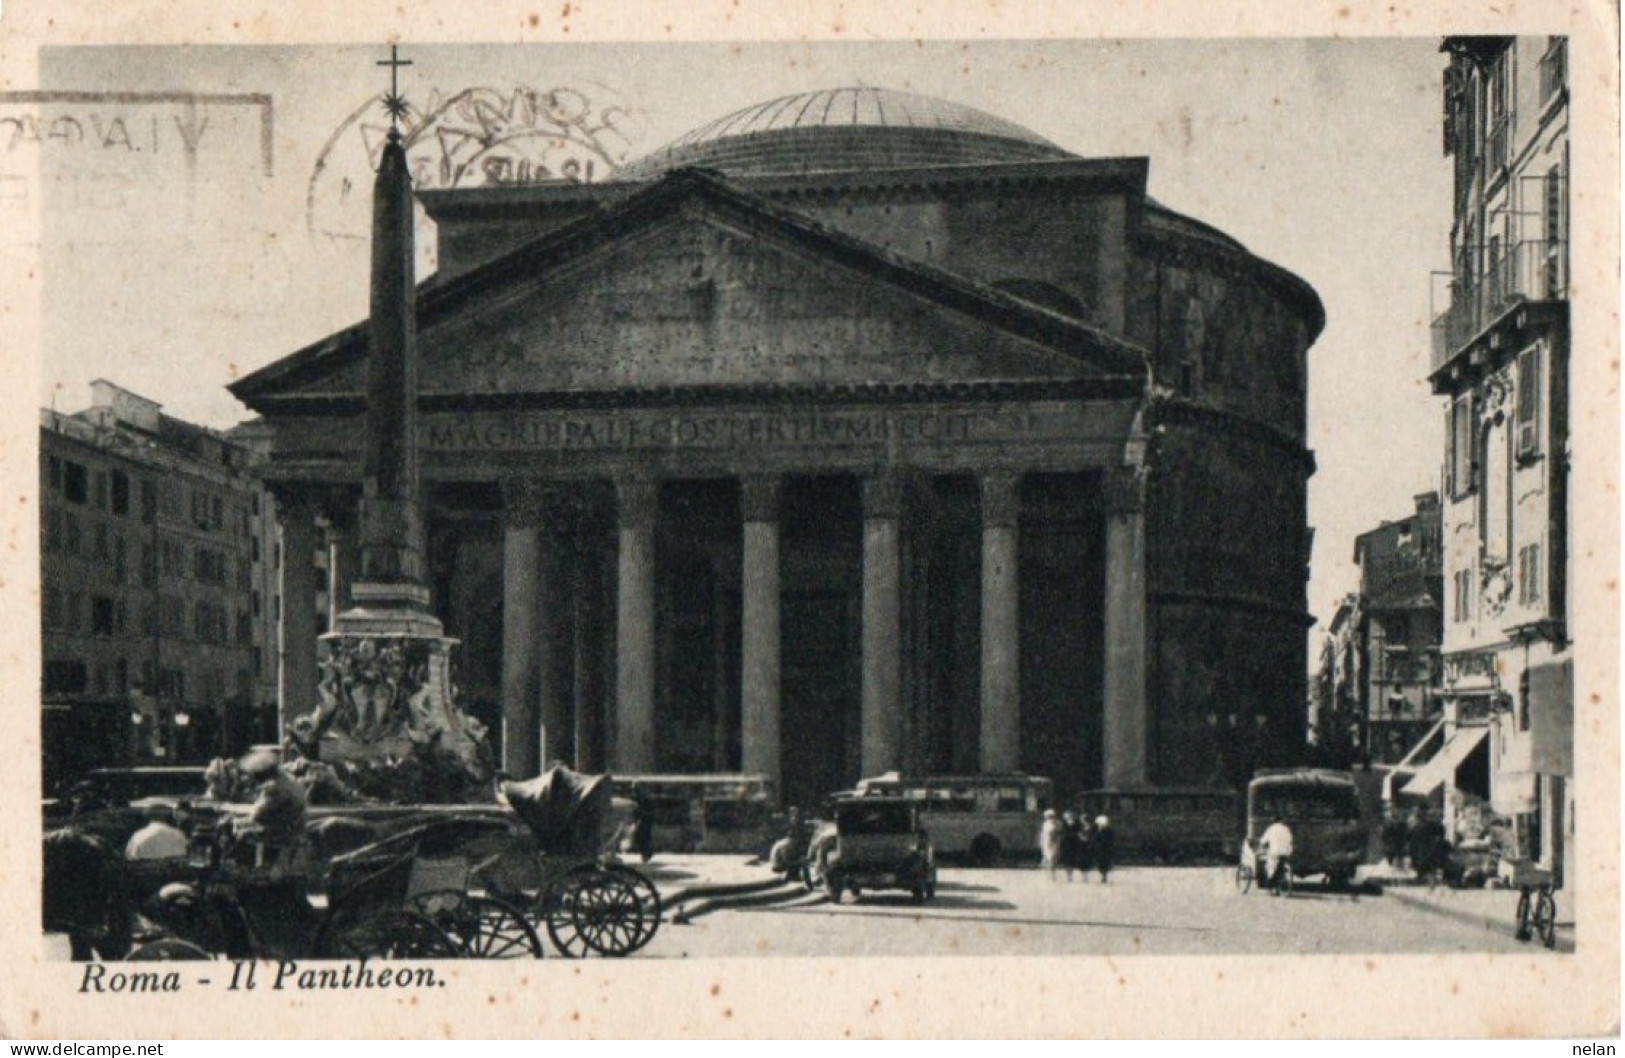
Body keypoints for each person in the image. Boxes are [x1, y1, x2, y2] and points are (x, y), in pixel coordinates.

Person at [769, 807, 812, 877]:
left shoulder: (788, 843)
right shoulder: (787, 845)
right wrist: (799, 862)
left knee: (801, 860)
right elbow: (786, 860)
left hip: (781, 863)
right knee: (801, 862)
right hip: (777, 866)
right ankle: (793, 876)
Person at [1258, 814, 1294, 895]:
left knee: (1270, 868)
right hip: (1285, 852)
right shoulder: (1286, 829)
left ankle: (1269, 887)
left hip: (1274, 852)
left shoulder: (1271, 829)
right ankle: (1279, 886)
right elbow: (1290, 840)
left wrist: (1261, 845)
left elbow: (1263, 840)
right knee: (1280, 868)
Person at [1057, 811, 1083, 882]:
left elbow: (1079, 833)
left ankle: (1070, 874)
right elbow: (1060, 833)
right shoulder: (1063, 825)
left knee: (1072, 860)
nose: (1070, 819)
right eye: (1068, 817)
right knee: (1066, 860)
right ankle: (1068, 875)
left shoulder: (1077, 825)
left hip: (1073, 844)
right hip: (1065, 844)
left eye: (1071, 817)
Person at [1038, 809, 1064, 880]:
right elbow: (1043, 834)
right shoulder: (1045, 824)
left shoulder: (1058, 823)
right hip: (1047, 841)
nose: (1050, 817)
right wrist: (1041, 842)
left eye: (1051, 816)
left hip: (1055, 841)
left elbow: (1060, 833)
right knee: (1048, 857)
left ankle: (1052, 874)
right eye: (1048, 816)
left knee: (1054, 858)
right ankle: (1047, 874)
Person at [1093, 815, 1116, 884]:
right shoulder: (1099, 831)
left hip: (1106, 849)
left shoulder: (1108, 831)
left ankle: (1104, 875)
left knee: (1105, 862)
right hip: (1100, 849)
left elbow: (1110, 840)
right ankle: (1103, 875)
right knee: (1101, 863)